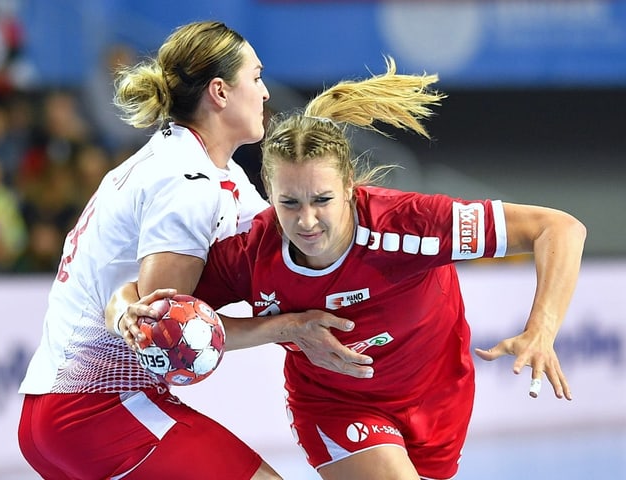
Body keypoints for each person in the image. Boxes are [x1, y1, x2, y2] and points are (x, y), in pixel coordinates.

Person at [111, 57, 587, 480]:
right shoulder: (252, 252)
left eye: (322, 200)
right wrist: (129, 313)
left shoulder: (411, 225)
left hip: (439, 398)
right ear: (269, 195)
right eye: (289, 203)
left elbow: (560, 229)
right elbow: (145, 301)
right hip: (334, 406)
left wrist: (541, 329)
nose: (306, 220)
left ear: (350, 187)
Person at [17, 20, 370, 480]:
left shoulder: (205, 170)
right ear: (220, 92)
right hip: (96, 408)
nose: (265, 94)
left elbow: (286, 251)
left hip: (63, 410)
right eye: (257, 78)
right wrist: (291, 327)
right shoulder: (186, 183)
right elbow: (164, 331)